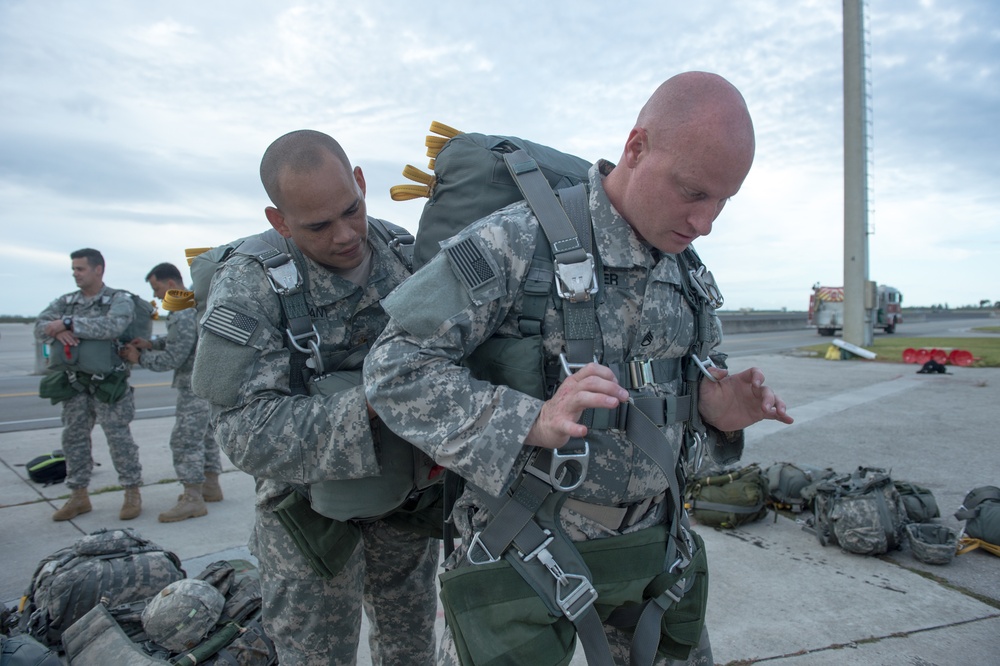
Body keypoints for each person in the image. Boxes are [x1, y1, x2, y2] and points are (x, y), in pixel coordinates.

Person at [364, 71, 795, 666]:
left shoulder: (687, 272)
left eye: (723, 201)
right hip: (520, 547)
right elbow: (393, 369)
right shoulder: (514, 242)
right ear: (636, 147)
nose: (706, 223)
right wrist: (530, 421)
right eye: (694, 192)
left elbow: (692, 377)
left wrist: (718, 405)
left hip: (652, 552)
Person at [191, 130, 438, 665]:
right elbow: (242, 430)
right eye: (318, 226)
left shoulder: (405, 254)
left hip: (406, 503)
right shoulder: (251, 284)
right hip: (306, 522)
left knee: (412, 649)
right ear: (279, 221)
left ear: (361, 182)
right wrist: (372, 402)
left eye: (352, 209)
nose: (347, 234)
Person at [35, 248, 143, 521]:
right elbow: (40, 326)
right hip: (75, 384)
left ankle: (132, 491)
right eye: (73, 269)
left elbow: (113, 327)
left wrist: (69, 324)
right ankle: (78, 495)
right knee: (73, 439)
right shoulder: (66, 301)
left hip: (108, 385)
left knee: (119, 439)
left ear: (98, 269)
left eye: (80, 269)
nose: (75, 274)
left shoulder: (118, 300)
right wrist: (58, 329)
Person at [120, 262, 224, 523]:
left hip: (194, 386)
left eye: (156, 288)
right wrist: (151, 343)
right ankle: (211, 486)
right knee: (206, 435)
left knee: (185, 440)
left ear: (169, 284)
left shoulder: (181, 310)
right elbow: (186, 342)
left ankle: (193, 499)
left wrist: (139, 358)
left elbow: (174, 357)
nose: (155, 295)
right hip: (209, 381)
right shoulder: (195, 303)